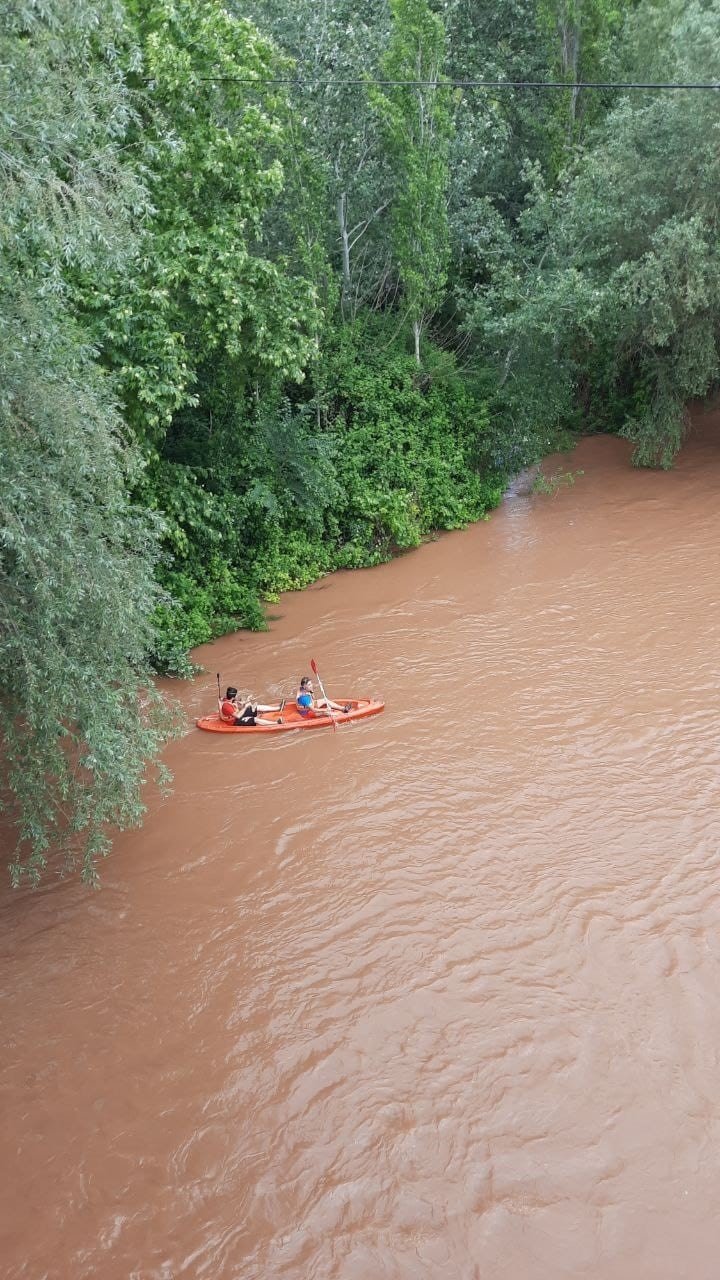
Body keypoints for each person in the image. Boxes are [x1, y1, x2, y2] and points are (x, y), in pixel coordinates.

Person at [219, 687, 283, 727]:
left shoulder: (229, 699)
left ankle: (278, 708)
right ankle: (276, 723)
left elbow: (241, 704)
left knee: (257, 707)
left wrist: (248, 700)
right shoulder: (227, 706)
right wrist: (246, 707)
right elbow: (238, 716)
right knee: (255, 720)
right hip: (235, 721)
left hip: (238, 714)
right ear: (233, 697)